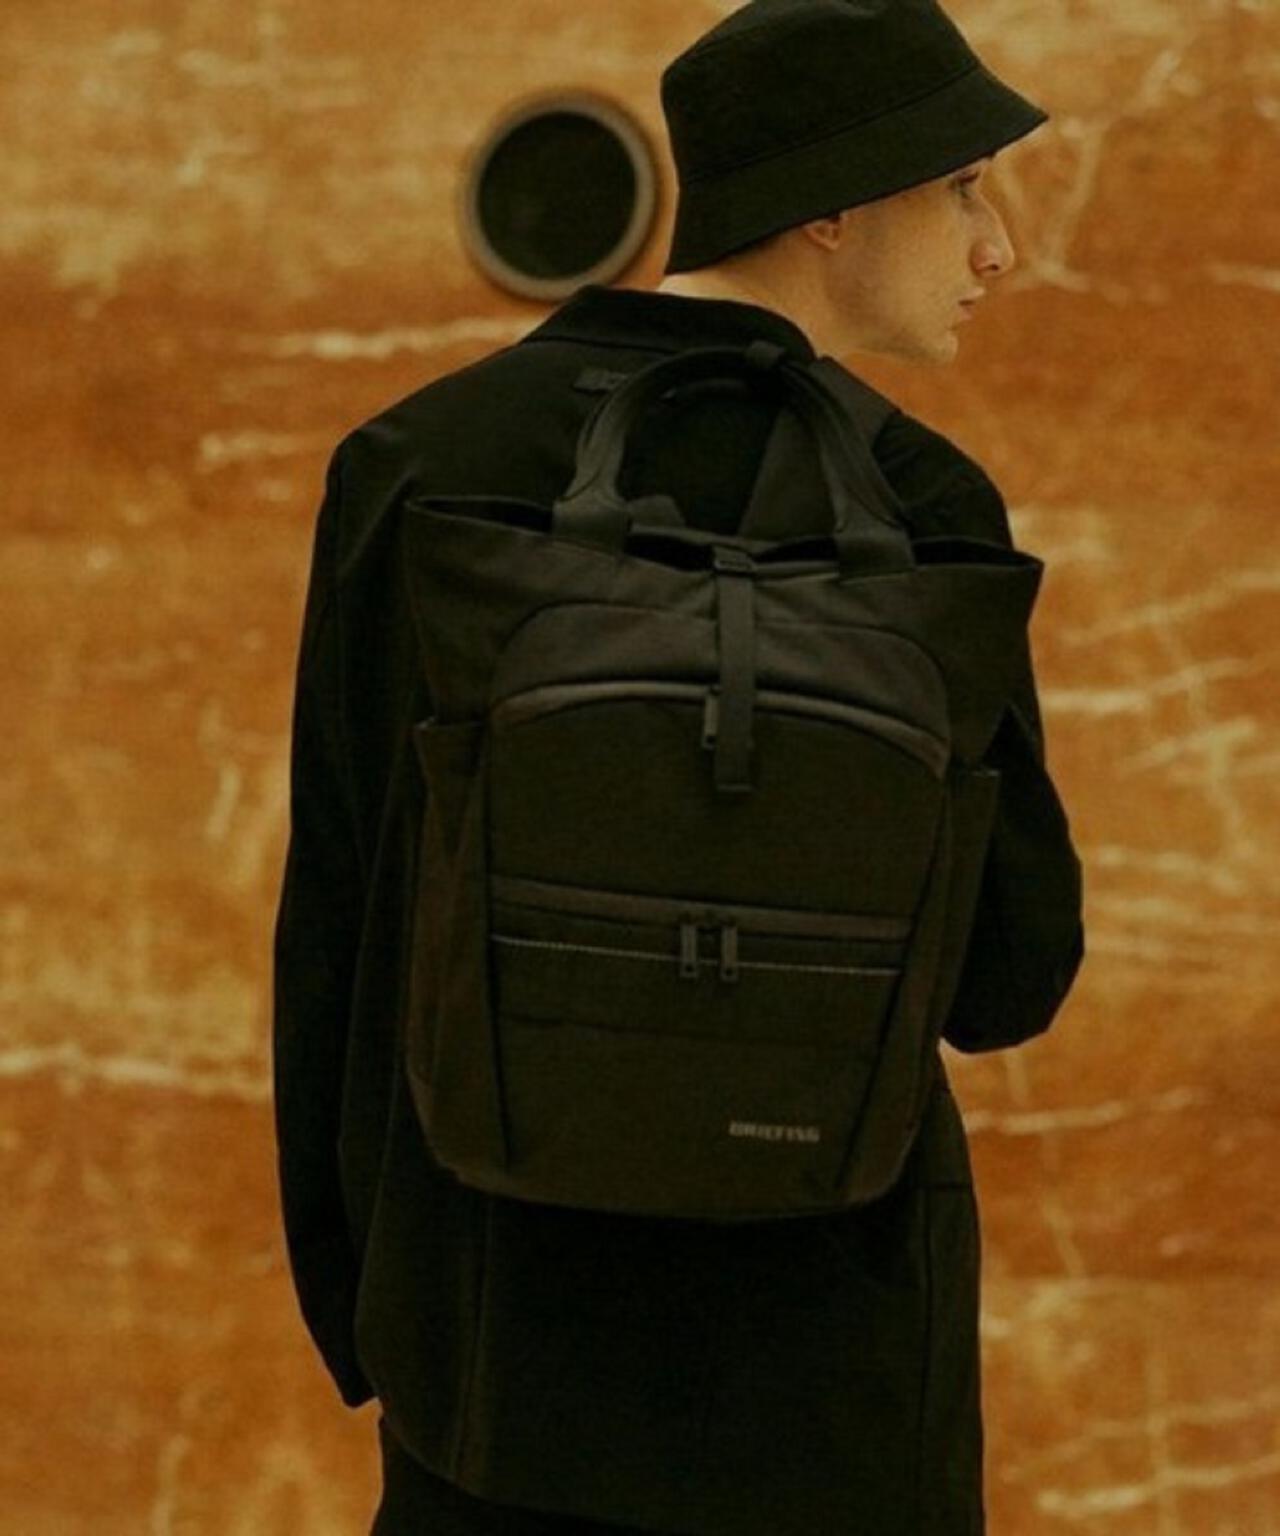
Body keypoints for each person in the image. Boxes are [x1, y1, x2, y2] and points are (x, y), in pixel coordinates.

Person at [271, 2, 1085, 1533]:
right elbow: (1010, 975)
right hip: (834, 1380)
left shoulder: (420, 466)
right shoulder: (919, 502)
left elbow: (346, 921)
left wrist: (380, 1314)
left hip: (495, 1347)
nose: (998, 248)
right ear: (830, 207)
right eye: (963, 187)